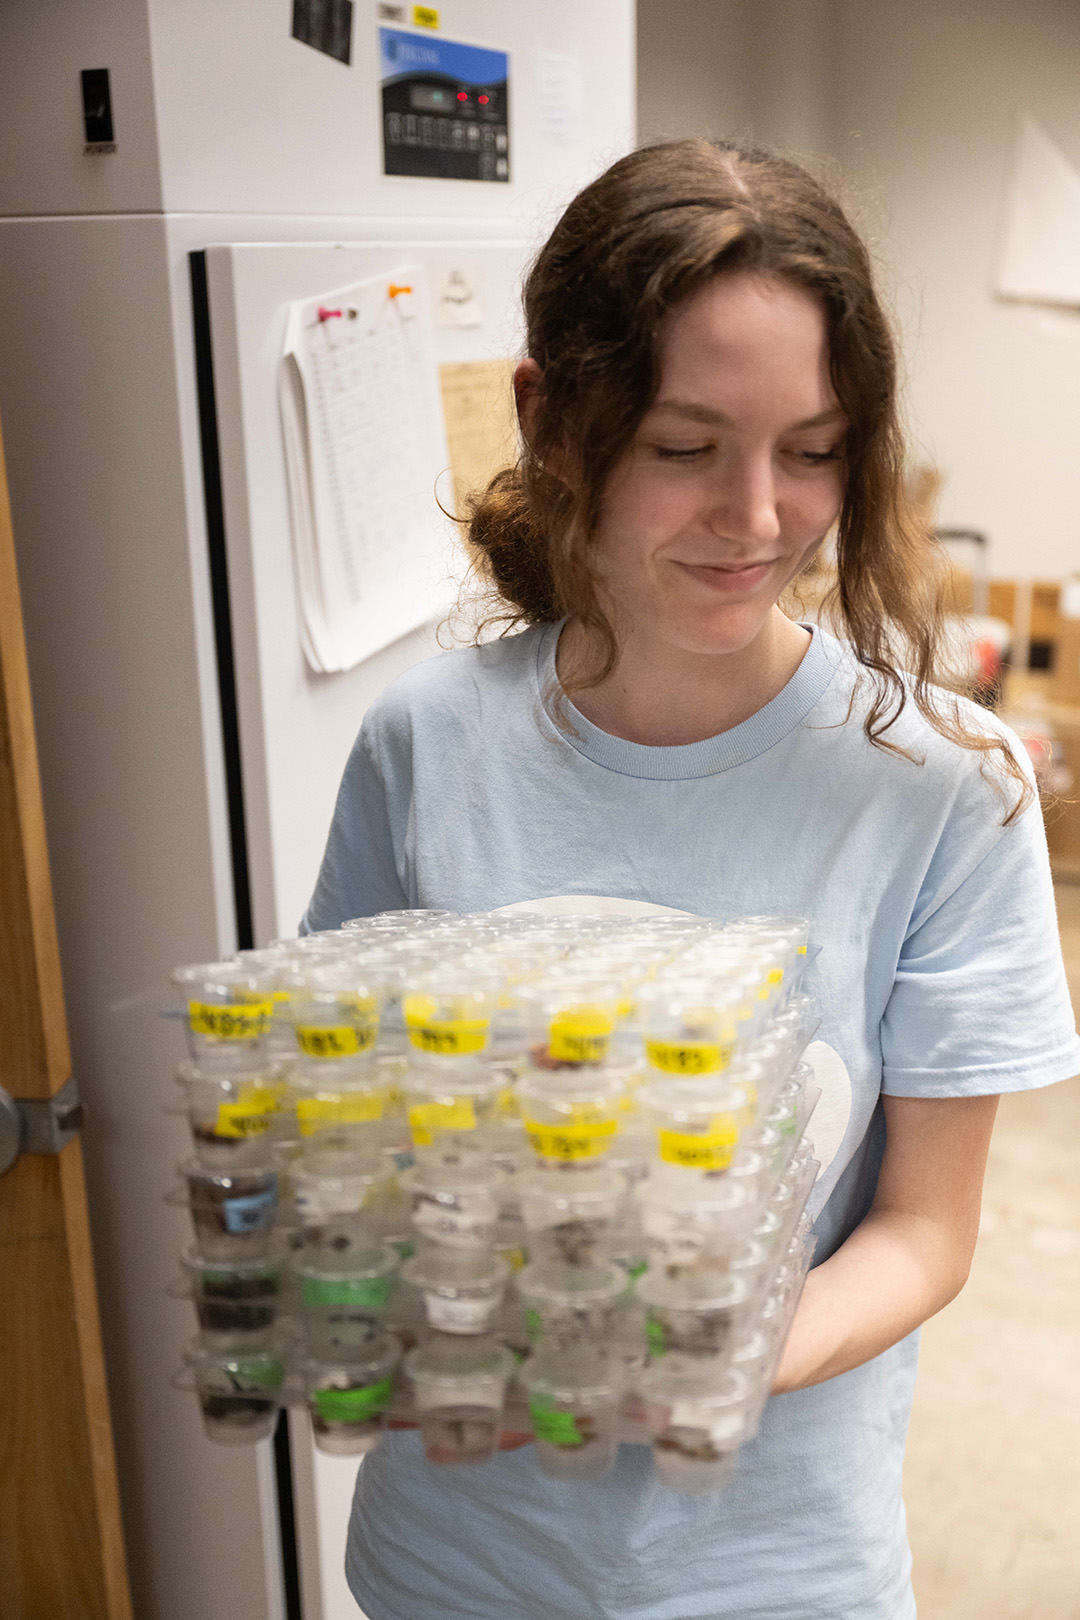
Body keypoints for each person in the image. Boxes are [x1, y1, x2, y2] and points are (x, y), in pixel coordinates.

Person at [304, 140, 1079, 1620]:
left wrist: (715, 1350)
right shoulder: (427, 743)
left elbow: (927, 1229)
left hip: (774, 1571)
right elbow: (354, 1110)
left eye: (813, 447)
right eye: (684, 445)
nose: (762, 516)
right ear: (551, 417)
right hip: (453, 1560)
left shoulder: (940, 788)